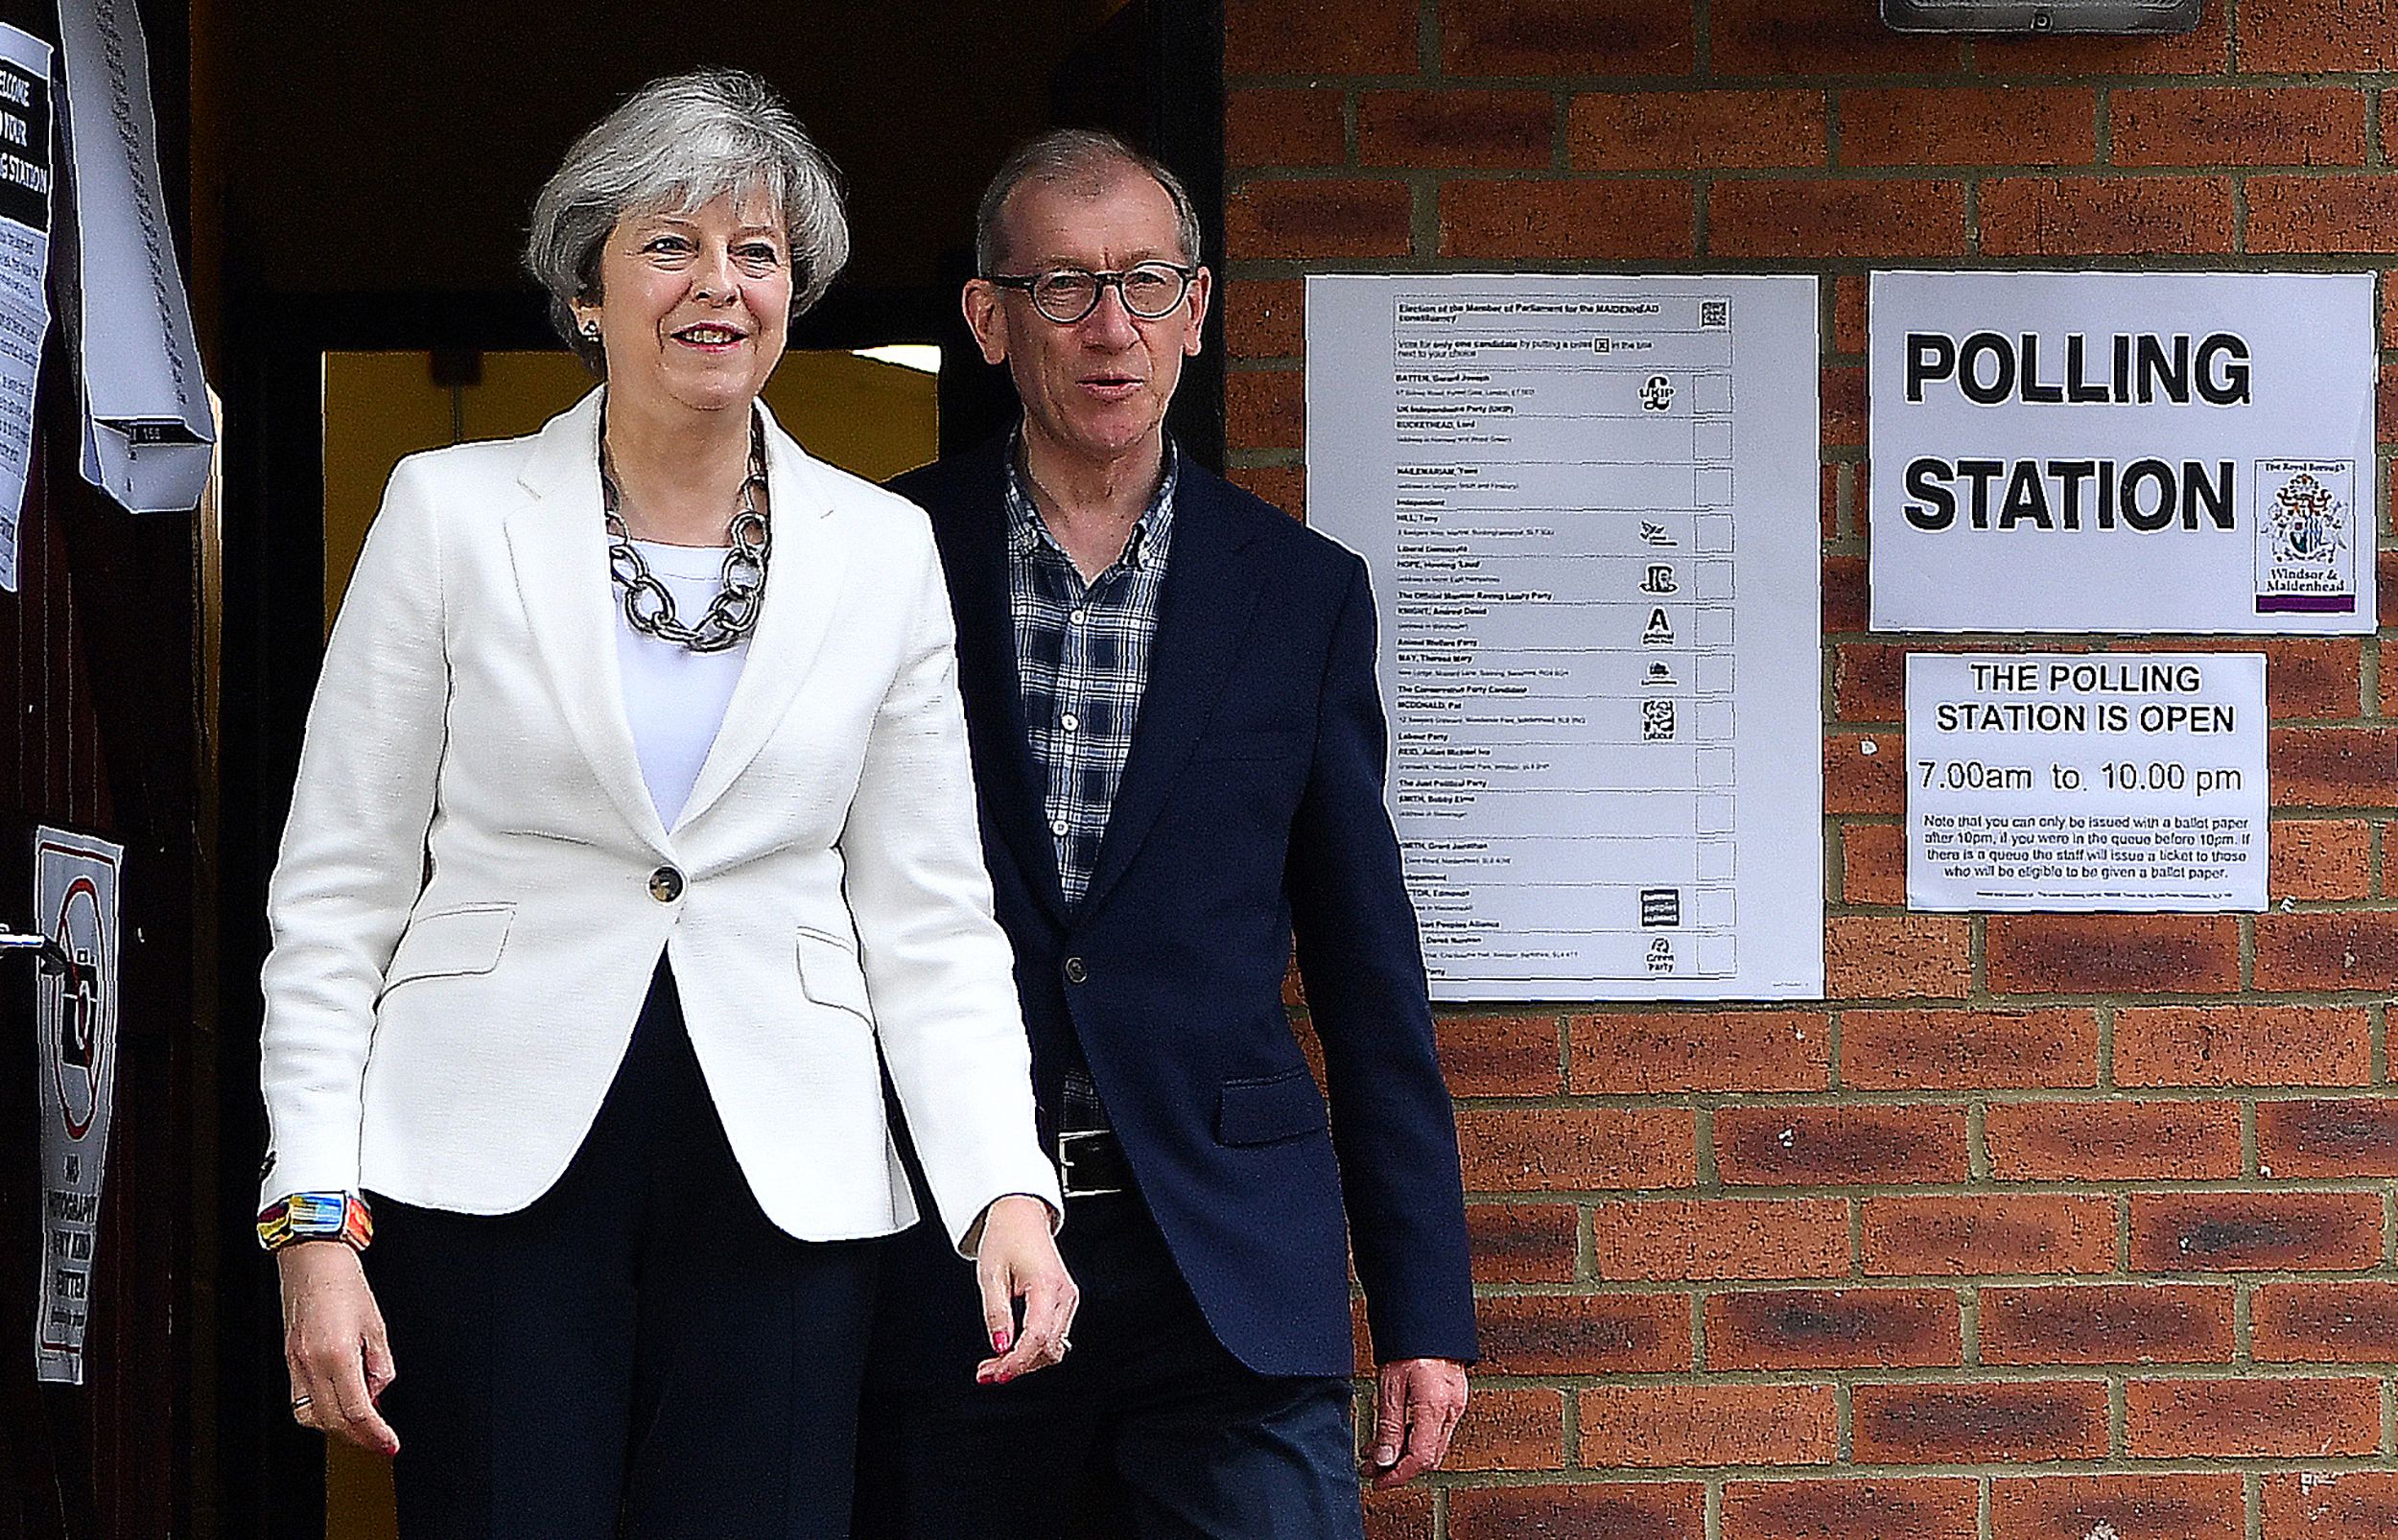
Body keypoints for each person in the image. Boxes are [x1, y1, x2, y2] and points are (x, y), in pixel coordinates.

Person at [257, 70, 1073, 1540]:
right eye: (669, 245)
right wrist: (313, 1219)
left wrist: (1003, 1189)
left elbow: (933, 919)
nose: (719, 286)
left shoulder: (880, 554)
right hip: (488, 1167)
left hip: (788, 1175)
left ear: (794, 288)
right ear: (587, 286)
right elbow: (333, 900)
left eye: (755, 252)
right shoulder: (446, 514)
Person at [855, 130, 1475, 1540]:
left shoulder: (1300, 594)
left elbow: (1369, 967)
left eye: (1146, 281)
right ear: (987, 316)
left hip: (1228, 1263)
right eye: (1064, 286)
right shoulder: (883, 556)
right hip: (957, 1246)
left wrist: (1423, 1302)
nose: (1110, 328)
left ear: (1200, 310)